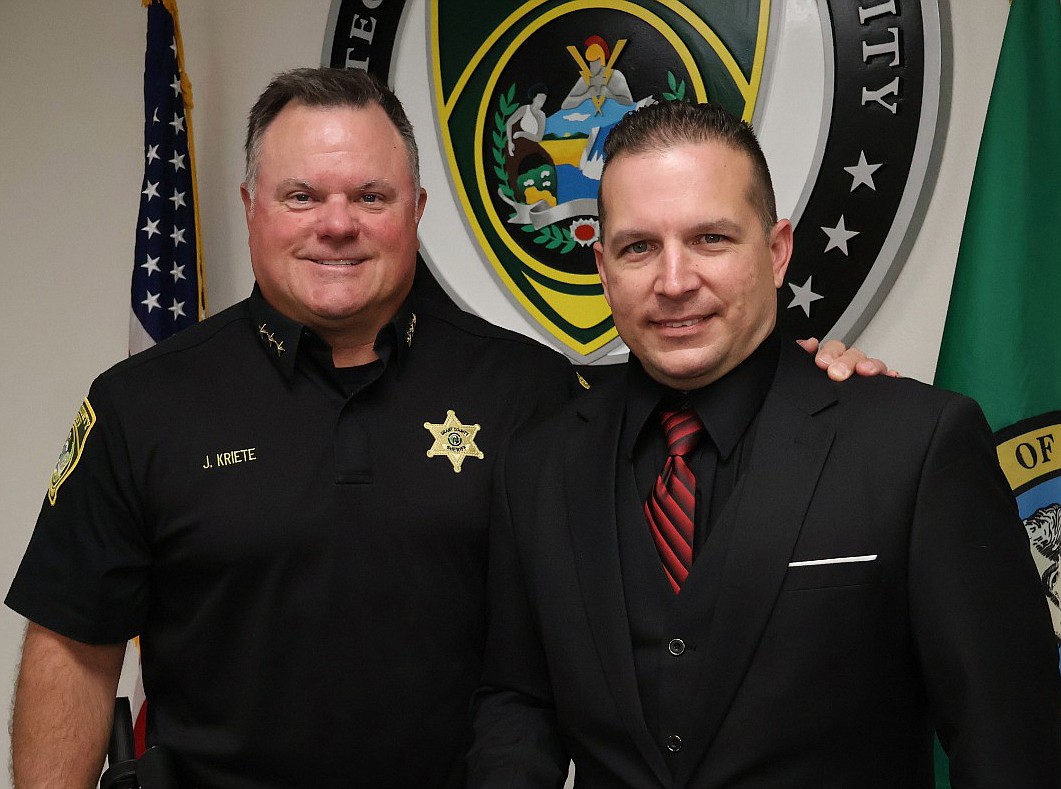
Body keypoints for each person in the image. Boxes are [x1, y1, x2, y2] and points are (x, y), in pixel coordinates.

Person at [6, 69, 884, 788]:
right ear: (250, 205)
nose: (337, 223)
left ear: (418, 207)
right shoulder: (140, 403)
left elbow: (699, 430)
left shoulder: (535, 391)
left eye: (371, 194)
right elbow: (73, 646)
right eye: (302, 194)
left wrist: (809, 372)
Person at [468, 101, 1061, 787]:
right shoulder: (538, 463)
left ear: (776, 251)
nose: (673, 280)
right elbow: (516, 699)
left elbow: (1008, 736)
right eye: (638, 247)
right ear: (602, 267)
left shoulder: (915, 446)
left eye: (710, 239)